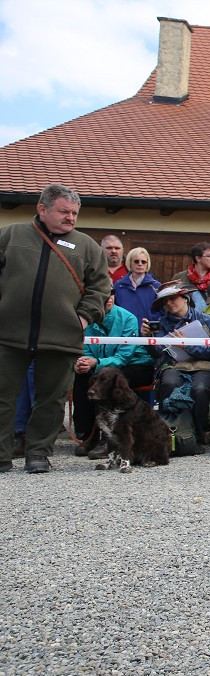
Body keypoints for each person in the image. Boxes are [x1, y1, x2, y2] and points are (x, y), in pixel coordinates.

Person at [0, 184, 111, 473]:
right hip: (8, 333)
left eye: (74, 212)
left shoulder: (87, 246)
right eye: (64, 211)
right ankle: (1, 455)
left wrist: (84, 318)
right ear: (42, 209)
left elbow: (100, 287)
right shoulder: (11, 235)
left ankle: (38, 453)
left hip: (62, 337)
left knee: (51, 399)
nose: (71, 217)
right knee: (2, 395)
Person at [72, 289, 155, 455]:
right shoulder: (84, 319)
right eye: (102, 293)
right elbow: (84, 347)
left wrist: (97, 363)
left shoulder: (128, 318)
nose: (108, 298)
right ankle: (88, 434)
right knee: (83, 377)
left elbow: (124, 356)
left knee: (110, 383)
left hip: (134, 364)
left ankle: (110, 437)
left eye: (111, 292)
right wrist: (83, 362)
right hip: (100, 365)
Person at [141, 282, 210, 448]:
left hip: (204, 366)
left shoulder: (206, 319)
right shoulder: (161, 323)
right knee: (169, 383)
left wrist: (187, 345)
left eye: (172, 299)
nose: (169, 303)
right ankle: (168, 435)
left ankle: (198, 436)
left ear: (185, 298)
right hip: (173, 365)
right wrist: (148, 340)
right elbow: (157, 354)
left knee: (199, 389)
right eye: (165, 301)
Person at [113, 247, 161, 327]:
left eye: (143, 262)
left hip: (147, 333)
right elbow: (113, 310)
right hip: (124, 333)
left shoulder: (156, 286)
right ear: (129, 263)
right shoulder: (119, 286)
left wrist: (150, 321)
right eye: (136, 261)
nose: (140, 264)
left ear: (147, 264)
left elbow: (162, 312)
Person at [172, 242, 210, 313]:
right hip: (188, 322)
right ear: (198, 258)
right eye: (209, 256)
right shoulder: (179, 278)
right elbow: (170, 300)